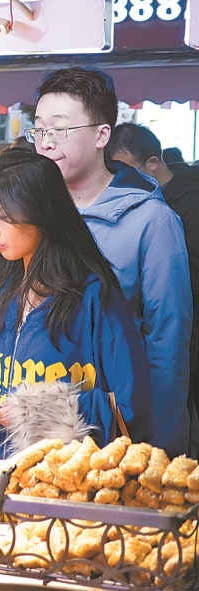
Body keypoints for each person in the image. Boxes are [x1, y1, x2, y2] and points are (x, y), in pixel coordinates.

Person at [32, 67, 191, 456]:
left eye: (60, 130)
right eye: (38, 130)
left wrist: (158, 450)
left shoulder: (152, 221)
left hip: (117, 434)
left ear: (102, 135)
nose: (46, 143)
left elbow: (167, 344)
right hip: (36, 430)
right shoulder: (30, 213)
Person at [0, 151, 151, 458]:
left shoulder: (94, 296)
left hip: (67, 478)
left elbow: (130, 403)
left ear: (41, 214)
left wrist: (40, 411)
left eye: (3, 217)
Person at [108, 122, 199, 448]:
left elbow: (174, 309)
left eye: (124, 167)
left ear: (153, 164)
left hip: (184, 341)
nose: (118, 177)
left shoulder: (180, 209)